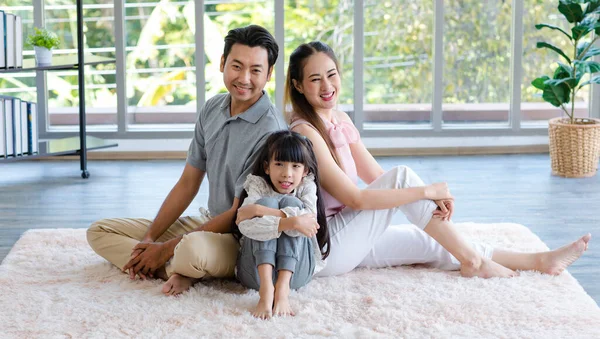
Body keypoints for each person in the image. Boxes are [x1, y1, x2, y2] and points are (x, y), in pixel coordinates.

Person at [280, 41, 591, 279]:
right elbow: (357, 199)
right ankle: (475, 262)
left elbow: (376, 176)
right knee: (404, 177)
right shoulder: (305, 131)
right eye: (315, 79)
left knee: (429, 241)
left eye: (331, 75)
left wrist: (424, 200)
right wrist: (427, 192)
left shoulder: (340, 119)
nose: (327, 86)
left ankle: (539, 261)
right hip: (326, 247)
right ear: (297, 85)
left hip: (351, 235)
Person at [86, 25, 298, 296]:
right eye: (236, 66)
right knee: (100, 231)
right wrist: (150, 239)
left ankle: (184, 266)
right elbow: (188, 183)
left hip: (242, 237)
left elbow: (236, 215)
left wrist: (166, 248)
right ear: (222, 63)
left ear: (268, 75)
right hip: (208, 222)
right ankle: (175, 267)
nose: (244, 78)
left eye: (256, 70)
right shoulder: (212, 108)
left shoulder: (270, 130)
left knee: (191, 249)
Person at [233, 130, 329, 319]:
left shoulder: (306, 187)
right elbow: (244, 225)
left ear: (306, 171)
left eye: (295, 166)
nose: (287, 174)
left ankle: (282, 290)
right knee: (267, 202)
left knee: (290, 203)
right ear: (267, 167)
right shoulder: (258, 185)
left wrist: (259, 212)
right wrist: (291, 221)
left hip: (296, 275)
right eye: (279, 164)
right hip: (254, 275)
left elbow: (308, 224)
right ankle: (267, 290)